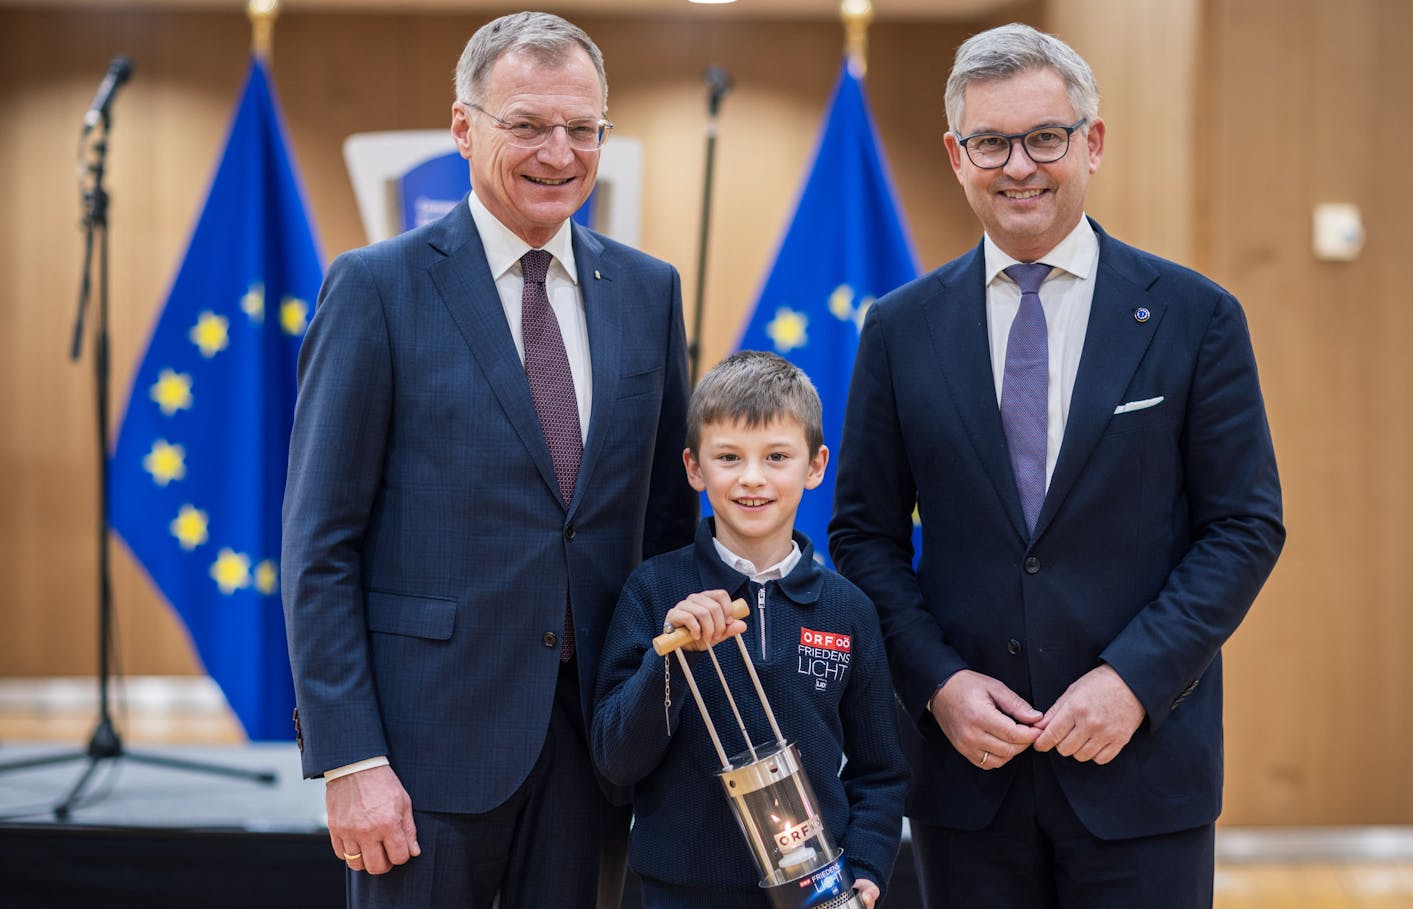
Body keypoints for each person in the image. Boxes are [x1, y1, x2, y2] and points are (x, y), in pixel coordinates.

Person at [829, 22, 1286, 908]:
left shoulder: (1197, 317)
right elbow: (863, 535)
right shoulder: (898, 328)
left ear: (1093, 143)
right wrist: (940, 685)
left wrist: (1133, 682)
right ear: (958, 156)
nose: (1020, 166)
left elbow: (1244, 526)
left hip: (1142, 771)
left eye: (1045, 137)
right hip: (969, 777)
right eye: (992, 142)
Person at [281, 12, 695, 908]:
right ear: (464, 127)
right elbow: (320, 544)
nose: (560, 151)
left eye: (583, 129)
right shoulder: (376, 287)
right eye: (529, 125)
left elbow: (660, 526)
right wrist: (350, 757)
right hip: (424, 755)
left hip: (598, 752)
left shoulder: (649, 291)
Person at [591, 351, 907, 909]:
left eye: (777, 456)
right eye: (729, 457)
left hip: (817, 894)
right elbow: (615, 760)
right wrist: (670, 659)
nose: (753, 478)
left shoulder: (848, 610)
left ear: (815, 466)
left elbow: (880, 771)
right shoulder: (653, 592)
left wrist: (865, 866)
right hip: (678, 892)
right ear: (694, 468)